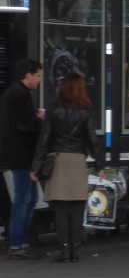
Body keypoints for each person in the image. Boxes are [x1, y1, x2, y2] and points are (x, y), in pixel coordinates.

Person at [29, 73, 104, 263]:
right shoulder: (85, 111)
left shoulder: (53, 110)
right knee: (78, 206)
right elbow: (93, 141)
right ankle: (75, 250)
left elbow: (43, 140)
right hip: (78, 160)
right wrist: (99, 166)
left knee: (61, 208)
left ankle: (64, 251)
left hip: (58, 159)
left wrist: (35, 167)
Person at [1, 59, 44, 260]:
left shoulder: (15, 94)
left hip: (19, 154)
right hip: (22, 155)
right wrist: (39, 120)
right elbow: (26, 125)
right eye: (37, 75)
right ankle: (18, 243)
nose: (39, 80)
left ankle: (21, 241)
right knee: (24, 199)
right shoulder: (19, 96)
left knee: (29, 198)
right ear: (27, 75)